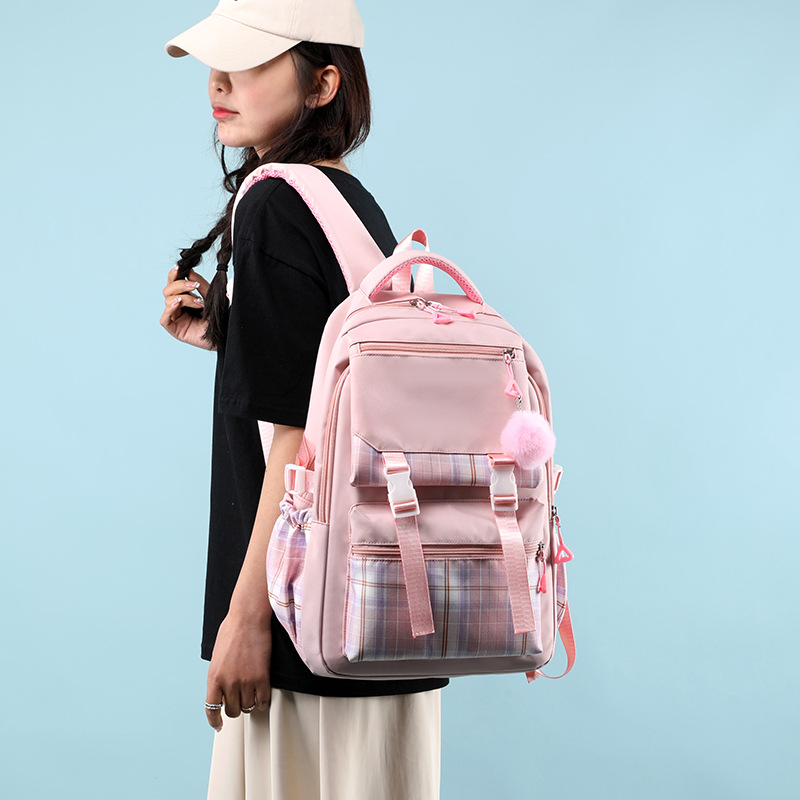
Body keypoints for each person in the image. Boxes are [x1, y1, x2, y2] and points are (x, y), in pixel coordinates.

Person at [159, 1, 447, 798]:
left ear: (323, 83)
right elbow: (341, 388)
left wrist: (247, 619)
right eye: (216, 62)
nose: (218, 82)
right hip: (384, 612)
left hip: (301, 621)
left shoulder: (272, 205)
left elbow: (295, 438)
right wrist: (230, 337)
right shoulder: (351, 203)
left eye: (249, 62)